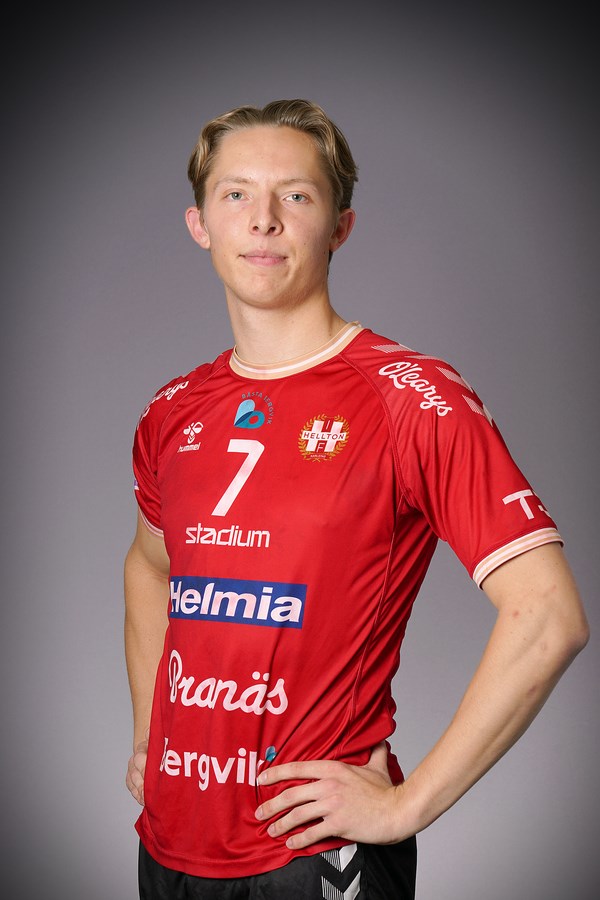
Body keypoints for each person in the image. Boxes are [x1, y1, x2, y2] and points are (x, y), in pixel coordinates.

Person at [124, 99, 589, 900]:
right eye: (236, 193)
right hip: (170, 843)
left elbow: (548, 615)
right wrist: (150, 736)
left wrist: (407, 805)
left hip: (311, 855)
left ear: (339, 226)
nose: (263, 219)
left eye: (296, 195)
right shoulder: (173, 410)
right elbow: (149, 566)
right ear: (200, 224)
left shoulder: (412, 398)